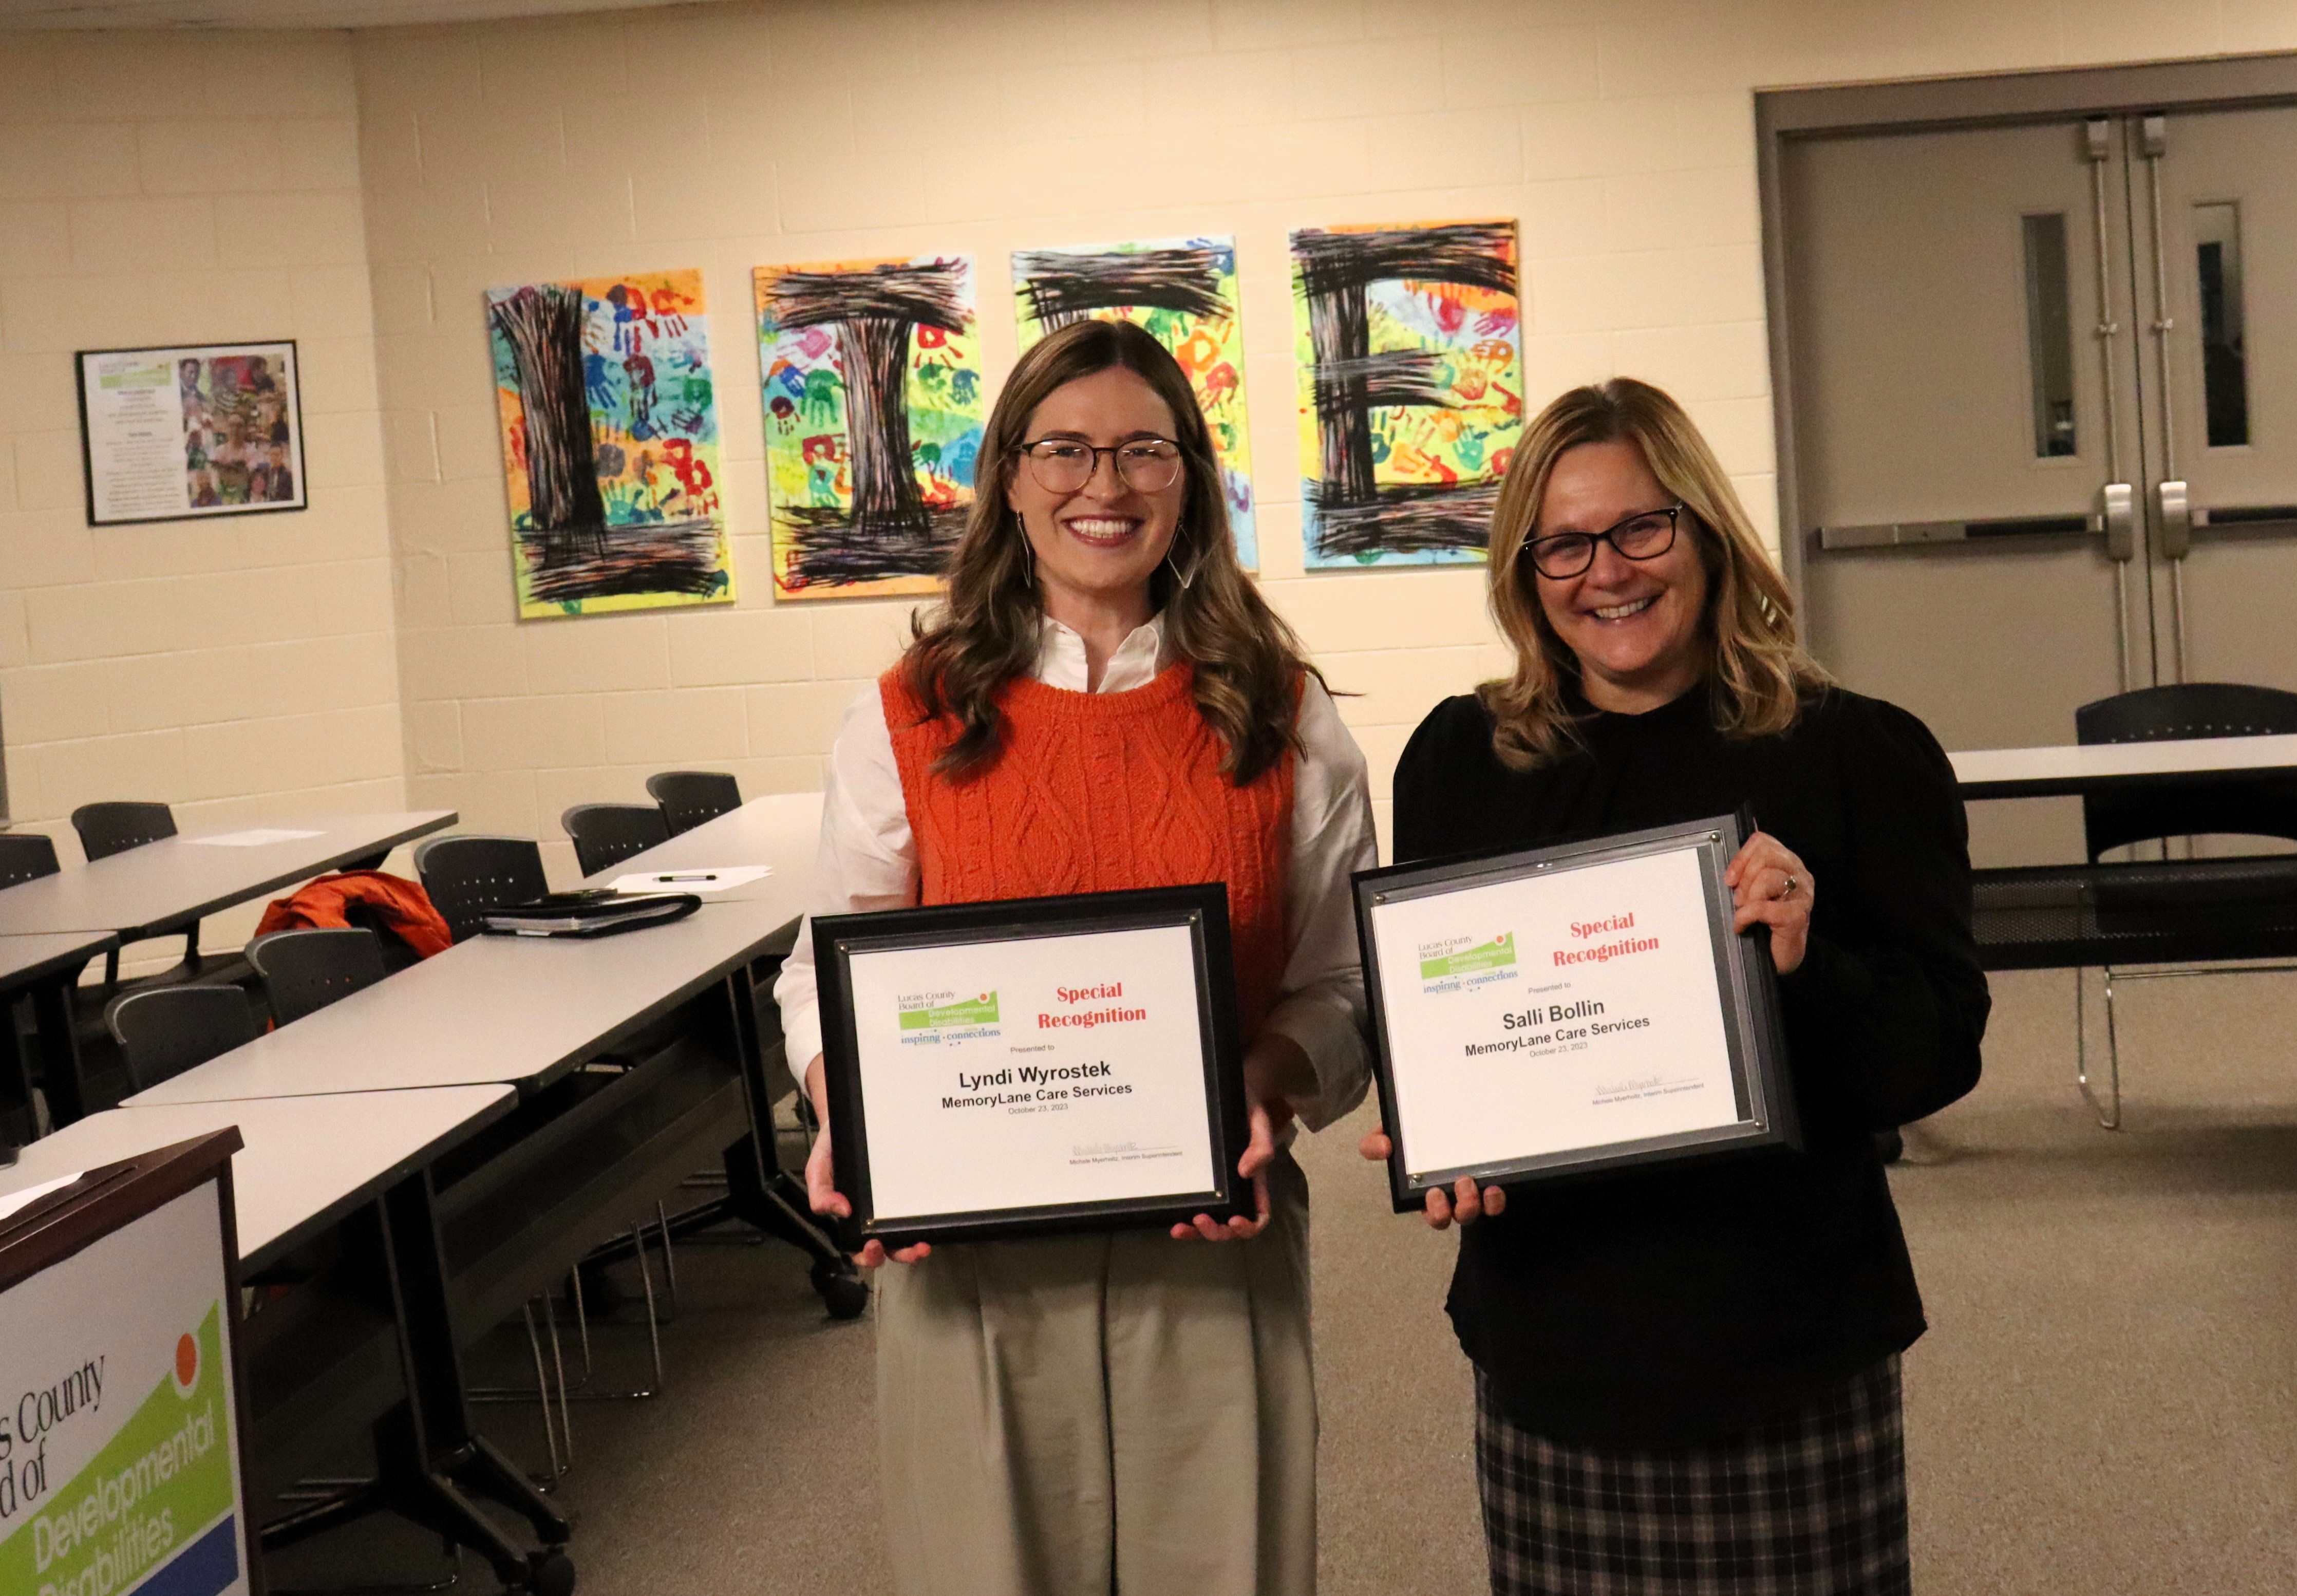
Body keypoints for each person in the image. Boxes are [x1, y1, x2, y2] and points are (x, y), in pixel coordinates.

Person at [775, 318, 1377, 1596]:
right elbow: (822, 971)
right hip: (969, 1260)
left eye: (1143, 453)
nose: (1103, 486)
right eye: (1065, 449)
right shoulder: (910, 710)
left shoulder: (1283, 709)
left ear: (1192, 481)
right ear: (1008, 474)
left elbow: (1341, 984)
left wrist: (1268, 1081)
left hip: (1215, 1234)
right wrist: (851, 1112)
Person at [1361, 378, 1989, 1595]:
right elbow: (1439, 1009)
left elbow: (1935, 1055)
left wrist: (1808, 967)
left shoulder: (1859, 752)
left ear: (1706, 533)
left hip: (1780, 1333)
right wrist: (1440, 1130)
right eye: (1566, 544)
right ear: (1525, 571)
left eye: (1644, 528)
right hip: (1558, 1332)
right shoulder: (1461, 758)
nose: (1609, 571)